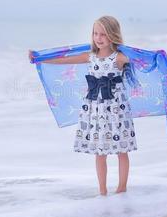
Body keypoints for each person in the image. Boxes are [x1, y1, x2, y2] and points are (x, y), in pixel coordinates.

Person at [29, 15, 137, 196]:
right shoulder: (91, 57)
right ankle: (102, 190)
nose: (98, 38)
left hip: (117, 109)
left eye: (103, 34)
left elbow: (144, 60)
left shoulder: (120, 58)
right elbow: (64, 60)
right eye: (96, 33)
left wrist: (157, 56)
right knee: (100, 151)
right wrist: (40, 58)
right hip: (95, 108)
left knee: (122, 149)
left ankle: (121, 187)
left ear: (113, 35)